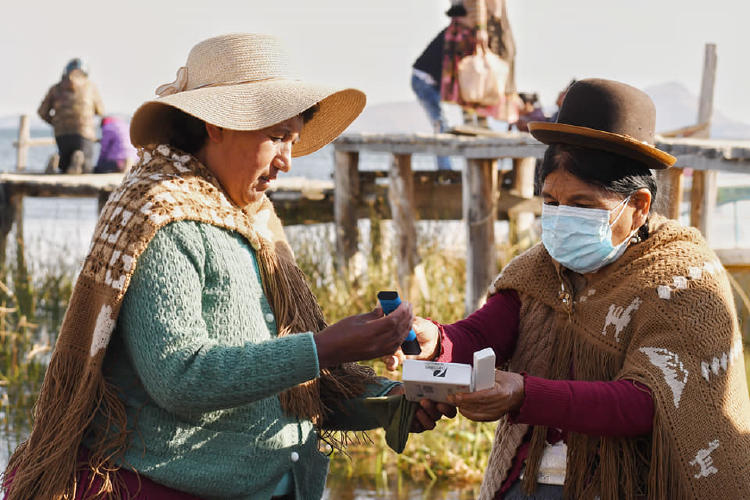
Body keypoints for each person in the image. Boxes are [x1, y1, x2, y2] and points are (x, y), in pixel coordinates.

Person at [4, 34, 455, 500]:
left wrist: (389, 402)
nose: (286, 160)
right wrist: (327, 346)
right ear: (214, 124)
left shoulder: (255, 221)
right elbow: (180, 376)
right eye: (276, 137)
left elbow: (288, 384)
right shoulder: (162, 219)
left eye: (293, 140)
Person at [385, 79, 750, 498]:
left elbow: (650, 401)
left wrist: (524, 393)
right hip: (525, 481)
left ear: (639, 206)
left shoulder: (683, 278)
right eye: (551, 202)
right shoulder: (539, 269)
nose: (561, 218)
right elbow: (483, 334)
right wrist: (438, 341)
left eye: (582, 205)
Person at [441, 0, 518, 128]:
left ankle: (479, 119)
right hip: (473, 27)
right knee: (470, 75)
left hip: (475, 25)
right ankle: (472, 119)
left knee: (479, 76)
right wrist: (480, 27)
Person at [38, 58, 105, 174]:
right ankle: (79, 158)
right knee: (86, 168)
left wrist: (55, 122)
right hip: (84, 133)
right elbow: (100, 111)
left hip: (61, 133)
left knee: (65, 167)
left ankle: (57, 162)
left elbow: (42, 112)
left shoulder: (55, 88)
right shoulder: (90, 87)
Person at [412, 25, 452, 170]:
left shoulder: (457, 34)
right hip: (424, 80)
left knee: (442, 123)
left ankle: (446, 168)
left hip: (429, 79)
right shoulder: (455, 35)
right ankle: (445, 170)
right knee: (440, 123)